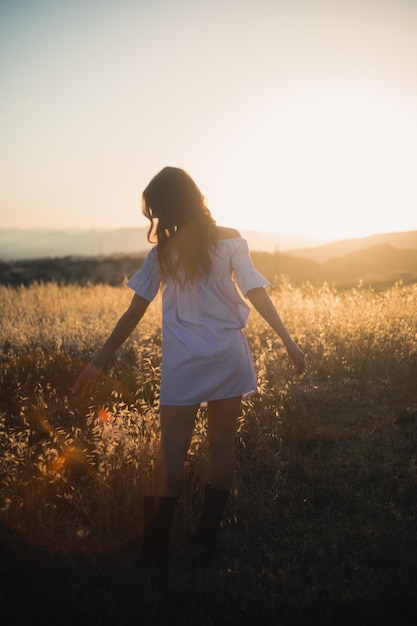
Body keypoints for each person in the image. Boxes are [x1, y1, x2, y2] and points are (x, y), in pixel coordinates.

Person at [72, 166, 305, 580]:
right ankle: (206, 537)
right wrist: (287, 339)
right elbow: (255, 291)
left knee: (171, 452)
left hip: (185, 362)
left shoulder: (162, 253)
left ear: (169, 207)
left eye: (156, 211)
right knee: (222, 446)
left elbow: (134, 311)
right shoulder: (231, 239)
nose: (155, 221)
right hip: (228, 356)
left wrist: (100, 359)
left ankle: (155, 547)